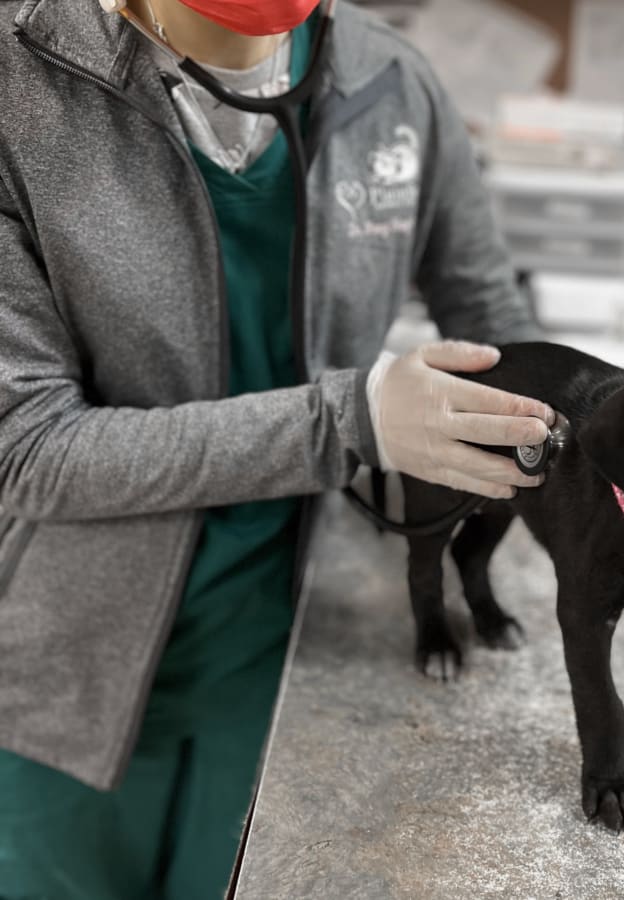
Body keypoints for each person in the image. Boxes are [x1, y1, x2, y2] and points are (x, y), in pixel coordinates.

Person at [0, 0, 555, 896]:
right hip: (68, 683)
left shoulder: (389, 85)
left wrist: (616, 442)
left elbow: (497, 330)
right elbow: (27, 450)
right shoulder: (18, 85)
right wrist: (349, 420)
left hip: (289, 669)